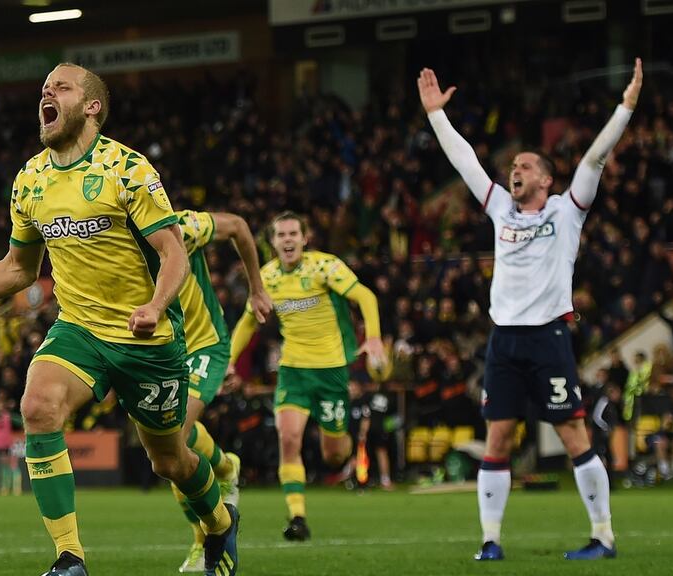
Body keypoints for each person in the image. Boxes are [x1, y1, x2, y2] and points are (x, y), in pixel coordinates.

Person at [0, 63, 238, 576]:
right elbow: (19, 268)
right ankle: (70, 558)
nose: (47, 92)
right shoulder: (30, 179)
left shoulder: (127, 169)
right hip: (80, 329)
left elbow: (173, 251)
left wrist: (155, 306)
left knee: (170, 462)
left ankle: (219, 524)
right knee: (38, 406)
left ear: (91, 107)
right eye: (44, 88)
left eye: (60, 87)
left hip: (147, 341)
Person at [417, 58, 643, 561]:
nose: (513, 171)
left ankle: (603, 536)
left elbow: (595, 160)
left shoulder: (567, 210)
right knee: (497, 437)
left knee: (573, 434)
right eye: (513, 167)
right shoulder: (501, 208)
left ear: (546, 178)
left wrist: (625, 108)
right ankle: (490, 542)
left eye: (523, 166)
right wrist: (436, 116)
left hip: (548, 337)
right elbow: (465, 161)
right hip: (504, 341)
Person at [229, 211, 386, 541]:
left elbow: (366, 296)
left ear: (304, 238)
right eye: (281, 235)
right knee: (288, 439)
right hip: (293, 371)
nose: (287, 240)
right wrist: (228, 362)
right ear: (272, 242)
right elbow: (248, 321)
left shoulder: (325, 267)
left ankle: (347, 442)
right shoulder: (267, 277)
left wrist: (373, 338)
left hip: (331, 372)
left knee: (334, 455)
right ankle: (297, 517)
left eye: (293, 234)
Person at [170, 208, 273, 572]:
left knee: (172, 439)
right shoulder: (112, 246)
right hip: (159, 354)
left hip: (203, 346)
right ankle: (227, 468)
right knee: (166, 451)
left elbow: (239, 227)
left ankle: (211, 536)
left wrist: (256, 289)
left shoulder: (183, 227)